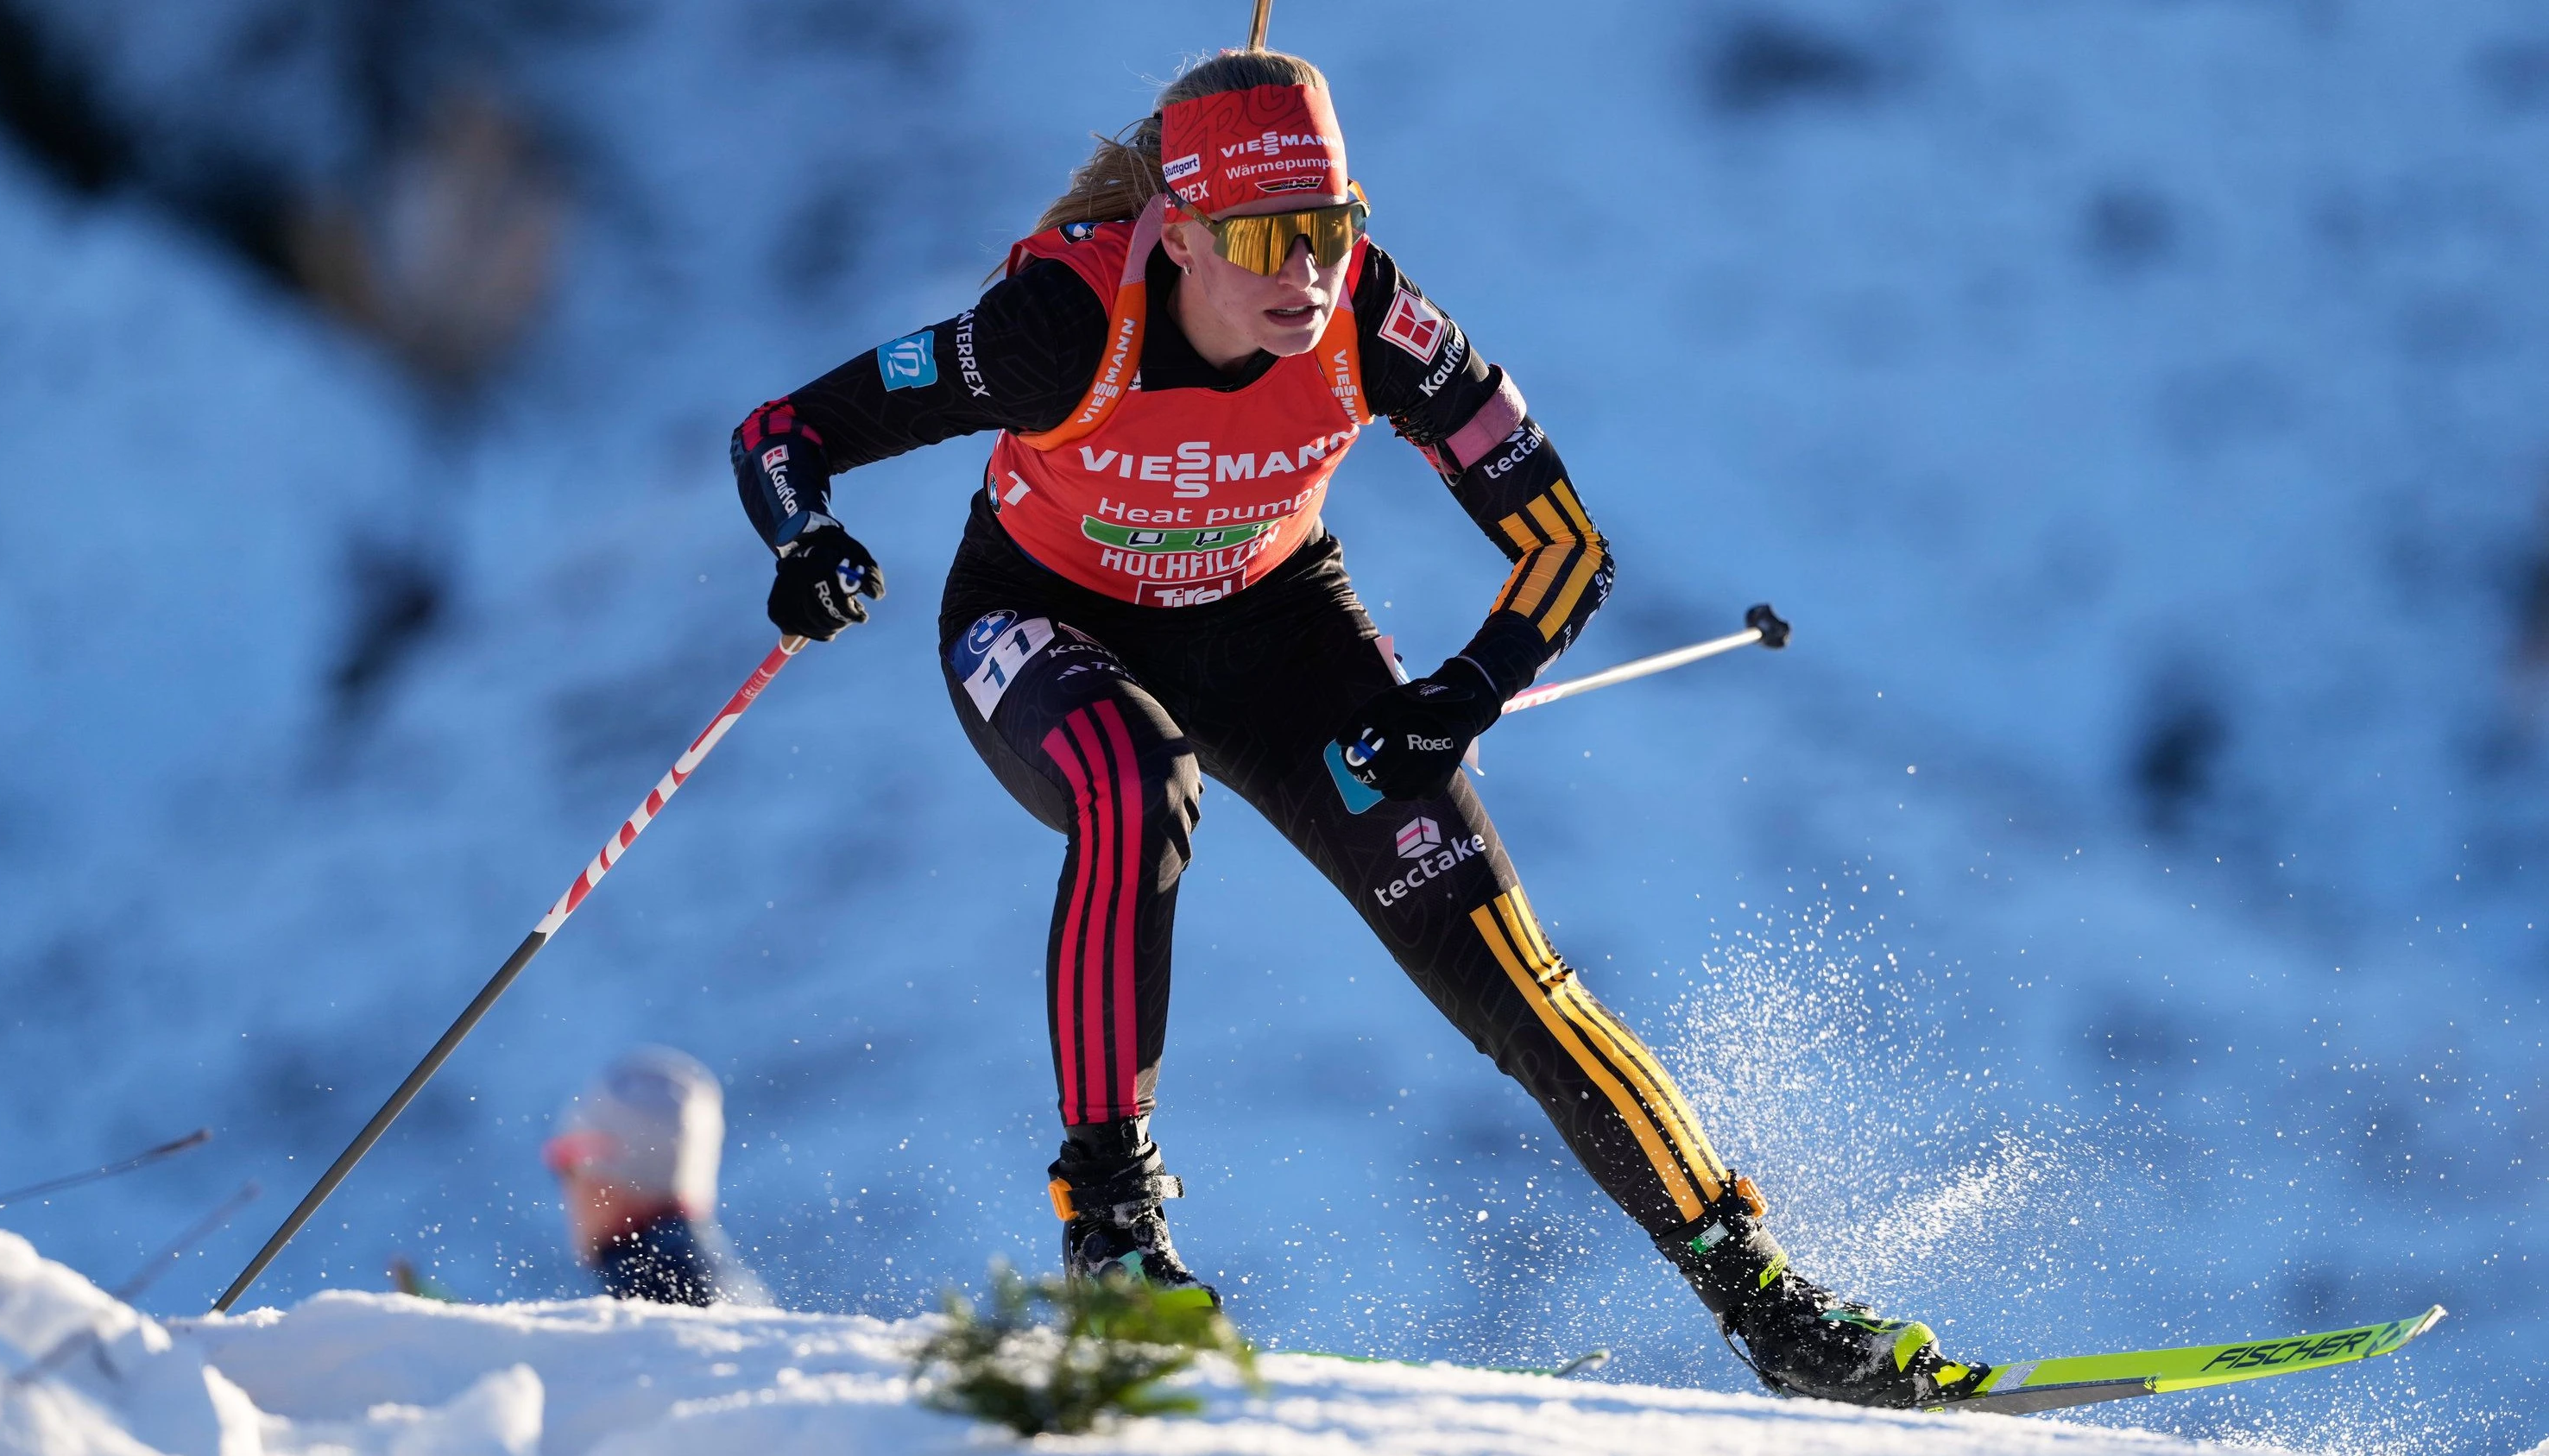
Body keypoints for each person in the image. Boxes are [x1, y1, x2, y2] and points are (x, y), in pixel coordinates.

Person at [729, 49, 1979, 1407]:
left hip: (1278, 633)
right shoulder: (1059, 324)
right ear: (1183, 231)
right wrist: (805, 540)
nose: (1305, 271)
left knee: (1513, 979)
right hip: (1045, 615)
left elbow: (1565, 542)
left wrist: (1469, 687)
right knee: (1134, 783)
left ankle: (1768, 1301)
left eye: (1331, 229)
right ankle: (1115, 1236)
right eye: (1267, 237)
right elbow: (784, 429)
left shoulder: (1372, 322)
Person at [542, 1046, 769, 1307]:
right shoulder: (724, 1283)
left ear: (602, 1177)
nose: (567, 1191)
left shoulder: (647, 1296)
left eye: (566, 1168)